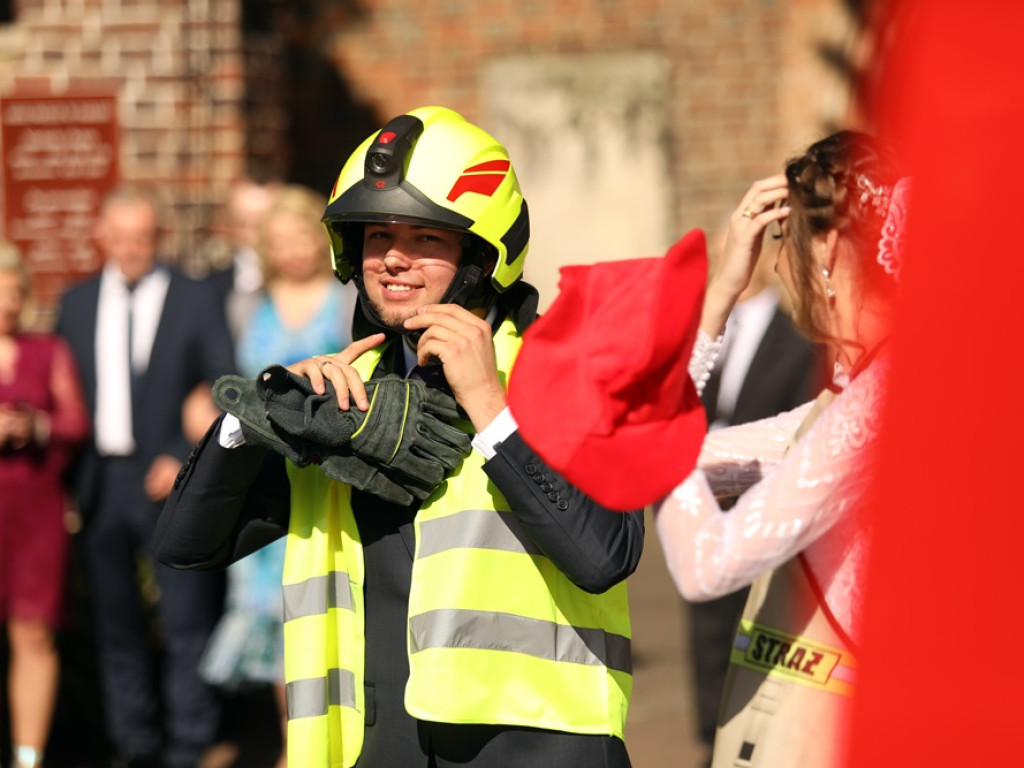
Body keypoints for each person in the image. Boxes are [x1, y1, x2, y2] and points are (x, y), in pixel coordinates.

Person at [154, 106, 644, 768]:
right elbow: (185, 546)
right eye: (377, 234)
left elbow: (604, 555)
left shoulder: (576, 372)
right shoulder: (343, 395)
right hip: (377, 749)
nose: (393, 259)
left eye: (425, 239)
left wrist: (492, 413)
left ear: (481, 255)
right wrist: (252, 419)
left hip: (538, 747)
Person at [654, 130, 906, 767]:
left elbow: (706, 562)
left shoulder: (879, 407)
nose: (771, 264)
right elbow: (668, 450)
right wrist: (718, 298)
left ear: (824, 249)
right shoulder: (851, 399)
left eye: (778, 240)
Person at [56, 185, 235, 768]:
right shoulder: (76, 302)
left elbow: (221, 383)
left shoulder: (194, 297)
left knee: (186, 617)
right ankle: (132, 743)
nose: (131, 249)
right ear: (101, 238)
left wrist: (182, 449)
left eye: (143, 237)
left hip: (169, 477)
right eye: (121, 237)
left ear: (157, 238)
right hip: (100, 482)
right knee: (114, 622)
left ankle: (189, 741)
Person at [198, 183, 358, 767]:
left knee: (326, 605)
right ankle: (296, 745)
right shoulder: (246, 305)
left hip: (328, 474)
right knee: (275, 616)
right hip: (263, 479)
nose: (292, 248)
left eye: (301, 235)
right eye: (279, 238)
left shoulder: (345, 302)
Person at [685, 220, 822, 766]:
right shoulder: (706, 334)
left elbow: (794, 446)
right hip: (708, 520)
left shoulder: (805, 351)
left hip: (763, 524)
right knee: (712, 653)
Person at [0, 240, 90, 768]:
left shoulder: (47, 350)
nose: (8, 303)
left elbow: (75, 422)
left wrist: (35, 426)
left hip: (35, 512)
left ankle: (28, 757)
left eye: (16, 292)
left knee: (34, 634)